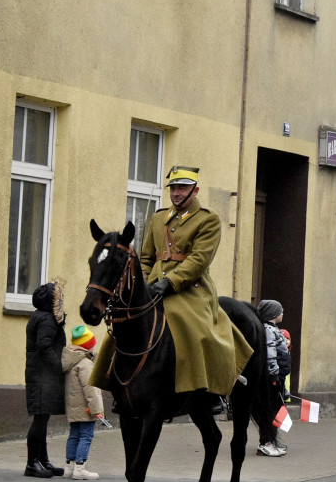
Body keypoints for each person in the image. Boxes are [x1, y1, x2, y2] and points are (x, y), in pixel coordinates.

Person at [93, 166, 253, 403]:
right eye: (174, 188)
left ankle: (206, 392)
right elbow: (146, 258)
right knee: (123, 322)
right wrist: (144, 285)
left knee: (194, 327)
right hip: (153, 285)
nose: (176, 193)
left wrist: (171, 281)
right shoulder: (159, 218)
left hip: (192, 287)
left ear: (195, 190)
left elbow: (199, 260)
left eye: (182, 188)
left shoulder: (208, 220)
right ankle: (115, 383)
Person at [25, 281, 66, 478]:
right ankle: (32, 463)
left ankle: (42, 461)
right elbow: (44, 345)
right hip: (42, 376)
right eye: (59, 298)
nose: (61, 301)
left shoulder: (41, 316)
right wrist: (60, 366)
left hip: (40, 375)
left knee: (43, 418)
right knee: (40, 419)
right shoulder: (47, 319)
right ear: (51, 300)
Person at [61, 325, 105, 479]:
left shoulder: (72, 361)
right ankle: (80, 468)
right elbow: (90, 389)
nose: (94, 345)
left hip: (74, 407)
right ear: (86, 346)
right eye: (92, 343)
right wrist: (96, 410)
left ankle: (69, 466)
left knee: (74, 435)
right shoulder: (85, 364)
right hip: (86, 408)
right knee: (86, 436)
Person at [256, 299, 290, 457]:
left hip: (277, 377)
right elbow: (270, 355)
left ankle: (272, 440)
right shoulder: (268, 330)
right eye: (280, 310)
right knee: (268, 411)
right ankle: (266, 443)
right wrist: (274, 375)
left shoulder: (273, 329)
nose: (283, 313)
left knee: (275, 410)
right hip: (272, 378)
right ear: (273, 314)